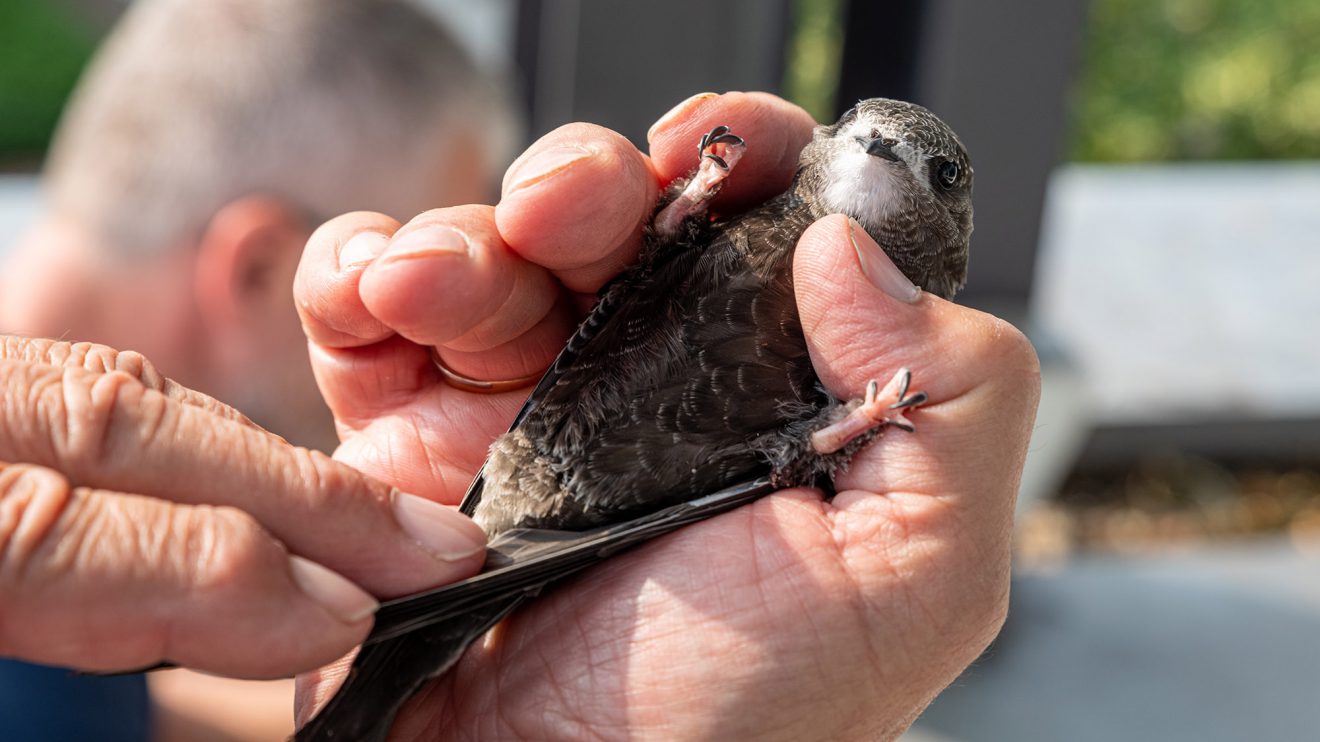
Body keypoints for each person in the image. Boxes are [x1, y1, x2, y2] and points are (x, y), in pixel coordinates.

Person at [0, 89, 1040, 742]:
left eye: (924, 175)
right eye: (860, 132)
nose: (871, 155)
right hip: (592, 476)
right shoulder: (40, 598)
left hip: (584, 474)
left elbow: (117, 706)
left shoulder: (56, 623)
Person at [0, 0, 513, 738]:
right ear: (263, 268)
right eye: (413, 306)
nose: (441, 365)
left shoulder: (41, 591)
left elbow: (117, 713)